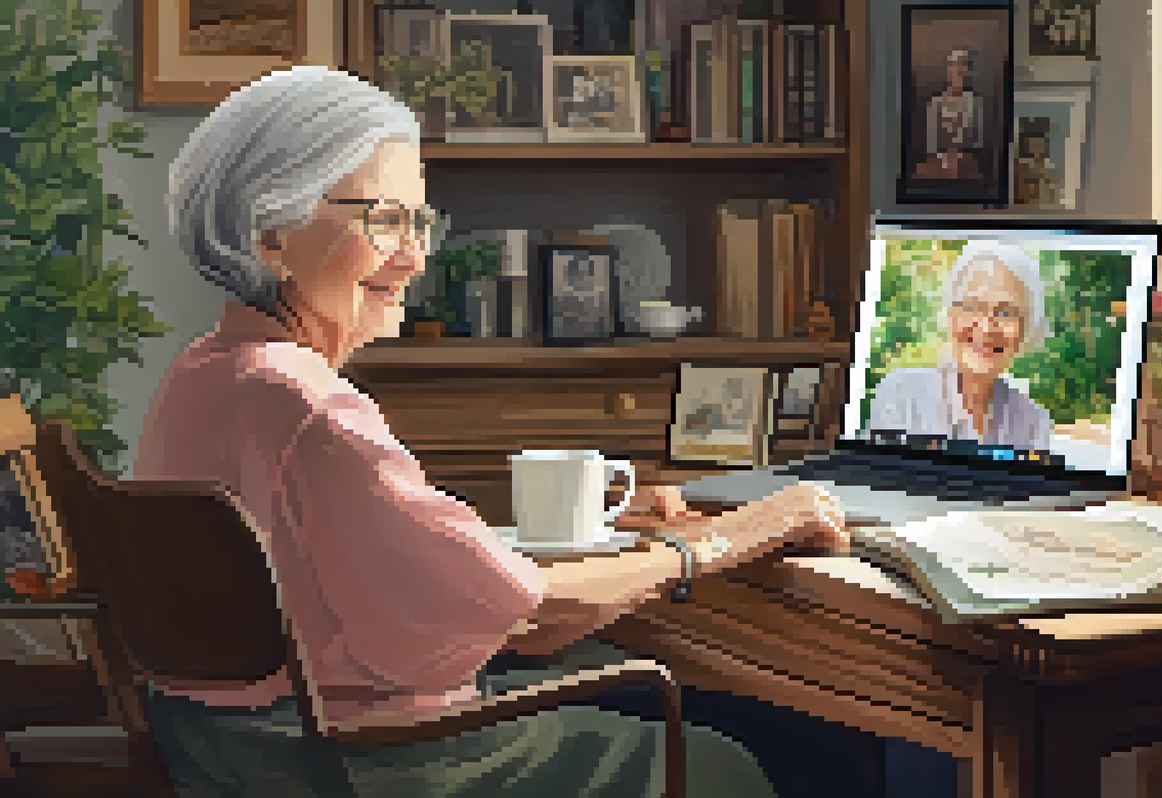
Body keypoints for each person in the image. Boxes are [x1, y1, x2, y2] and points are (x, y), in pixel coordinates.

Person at [137, 66, 848, 798]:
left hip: (236, 752)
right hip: (370, 765)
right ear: (272, 237)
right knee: (727, 763)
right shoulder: (309, 407)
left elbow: (380, 566)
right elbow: (533, 616)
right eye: (383, 220)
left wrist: (602, 527)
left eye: (418, 222)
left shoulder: (206, 374)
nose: (414, 257)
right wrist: (729, 537)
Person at [868, 241, 1053, 450]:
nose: (986, 328)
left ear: (1027, 328)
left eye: (1006, 312)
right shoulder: (901, 395)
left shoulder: (1034, 423)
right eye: (972, 306)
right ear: (950, 315)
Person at [917, 47, 982, 180]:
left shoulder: (974, 104)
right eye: (954, 65)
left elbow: (975, 141)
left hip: (964, 165)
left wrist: (958, 155)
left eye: (963, 65)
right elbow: (932, 142)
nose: (958, 70)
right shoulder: (936, 104)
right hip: (939, 164)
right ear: (948, 69)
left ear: (967, 70)